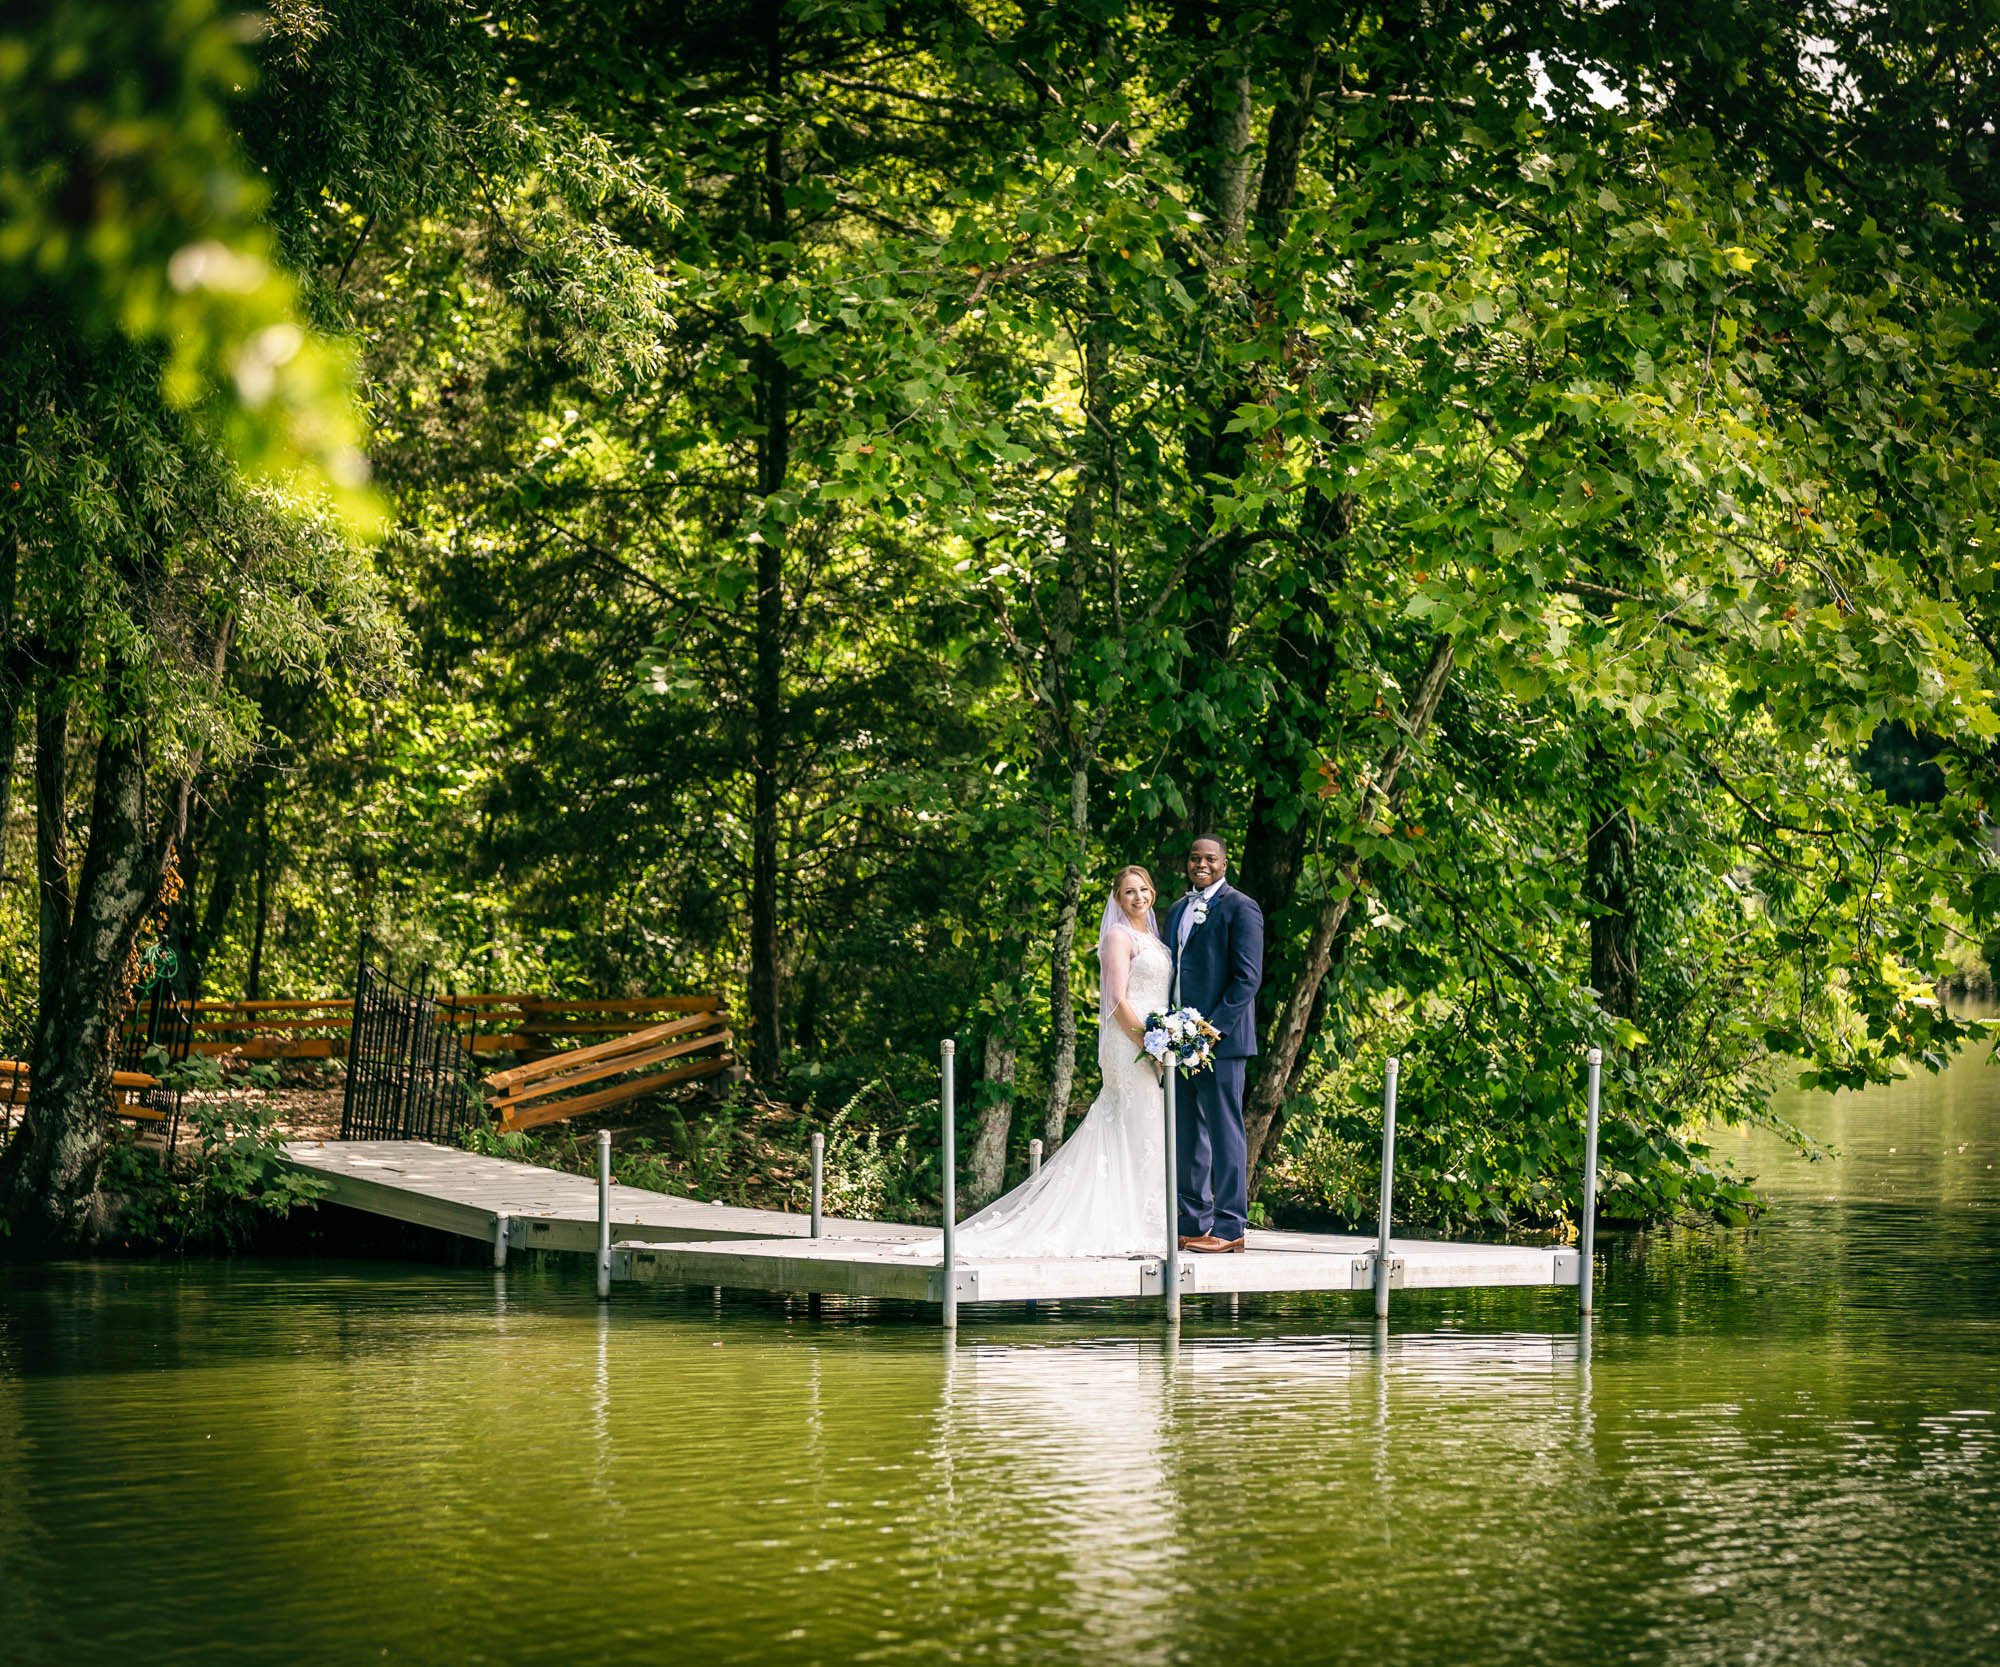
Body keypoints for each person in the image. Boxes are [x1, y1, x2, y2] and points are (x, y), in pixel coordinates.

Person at [910, 864, 1173, 1258]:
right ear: (1118, 899)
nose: (1138, 897)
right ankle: (1126, 1223)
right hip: (1131, 1044)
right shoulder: (1118, 937)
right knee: (1135, 1125)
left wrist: (1167, 1040)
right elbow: (1118, 1001)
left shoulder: (1153, 938)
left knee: (1146, 1130)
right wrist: (1149, 1043)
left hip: (1153, 1044)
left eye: (1144, 889)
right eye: (1129, 892)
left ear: (1152, 893)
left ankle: (1142, 1219)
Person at [1163, 836, 1264, 1254]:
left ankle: (1230, 1226)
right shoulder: (1175, 910)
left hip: (1221, 1041)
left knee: (1225, 1132)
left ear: (1224, 863)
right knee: (1187, 1133)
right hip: (1178, 1041)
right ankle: (1193, 1221)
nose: (1200, 864)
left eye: (1209, 858)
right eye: (1194, 858)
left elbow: (1247, 979)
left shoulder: (1242, 907)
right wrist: (1171, 1033)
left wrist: (1209, 1032)